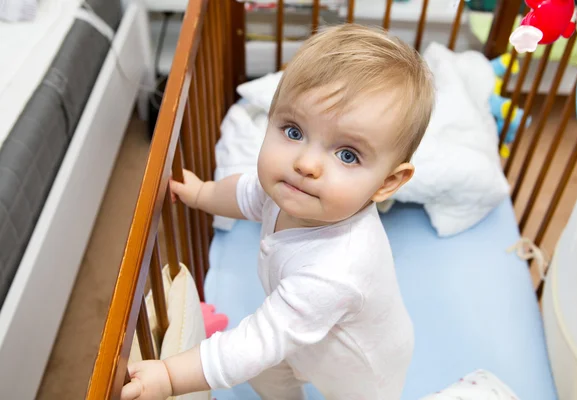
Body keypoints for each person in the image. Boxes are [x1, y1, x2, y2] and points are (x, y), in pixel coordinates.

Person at [122, 23, 435, 400]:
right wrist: (204, 194)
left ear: (387, 182)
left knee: (261, 354)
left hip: (359, 367)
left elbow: (258, 339)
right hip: (300, 331)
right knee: (262, 370)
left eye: (347, 154)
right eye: (293, 131)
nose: (306, 163)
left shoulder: (338, 267)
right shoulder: (290, 191)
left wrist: (171, 377)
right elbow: (243, 194)